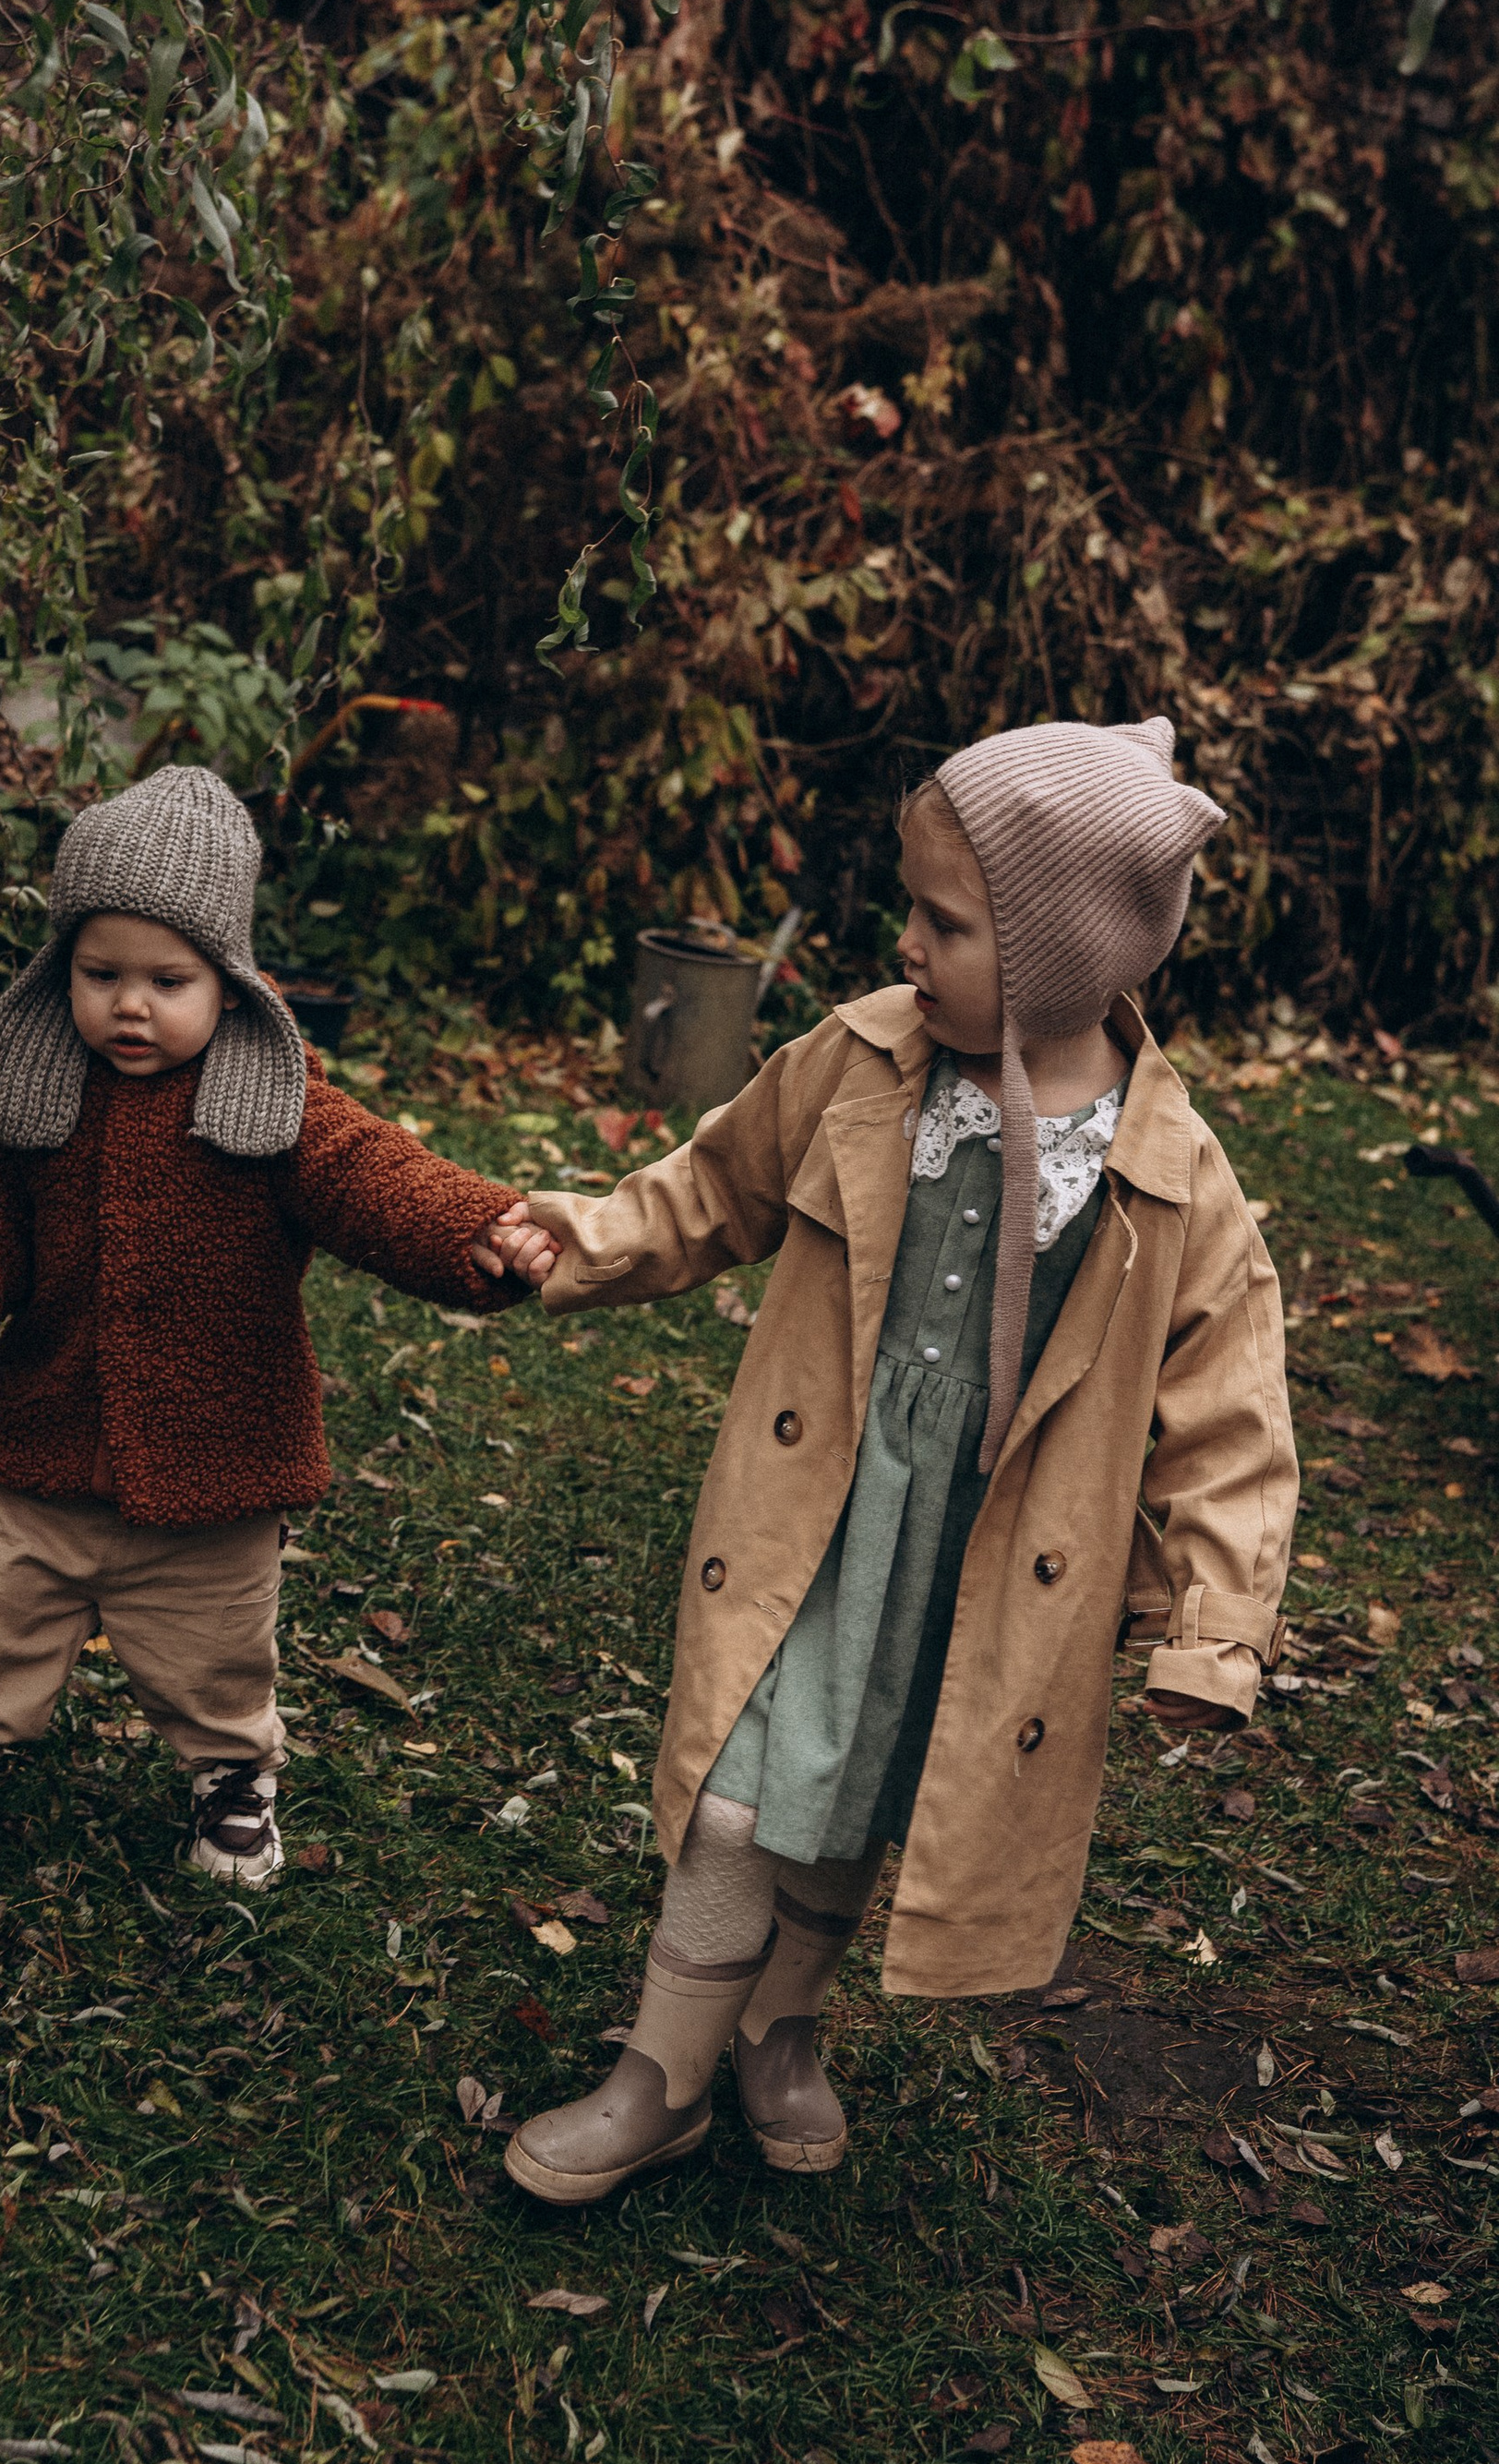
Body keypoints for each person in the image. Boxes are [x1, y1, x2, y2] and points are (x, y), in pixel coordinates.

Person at [495, 715, 1296, 2204]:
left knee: (874, 1791)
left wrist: (1213, 1629)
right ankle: (659, 2075)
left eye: (947, 921)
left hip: (993, 1549)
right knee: (744, 1782)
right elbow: (708, 1187)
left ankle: (780, 2029)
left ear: (1061, 955)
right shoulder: (864, 1063)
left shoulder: (1173, 1184)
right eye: (913, 912)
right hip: (827, 1502)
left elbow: (1235, 1420)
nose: (908, 945)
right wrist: (576, 1245)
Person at [0, 763, 555, 1884]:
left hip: (217, 1448)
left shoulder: (273, 1103)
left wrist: (468, 1229)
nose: (130, 1004)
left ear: (229, 982)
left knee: (217, 1647)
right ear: (60, 970)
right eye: (101, 974)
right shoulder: (37, 1091)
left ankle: (232, 1776)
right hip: (46, 1436)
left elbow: (371, 1178)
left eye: (167, 979)